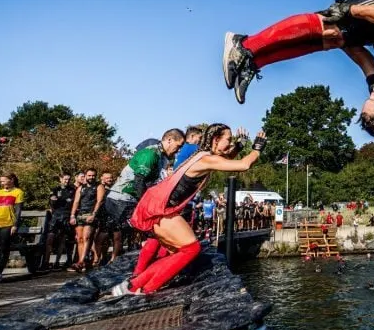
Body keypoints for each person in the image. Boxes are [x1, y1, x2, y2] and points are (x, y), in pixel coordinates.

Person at [223, 0, 374, 137]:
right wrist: (349, 10)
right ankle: (244, 45)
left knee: (333, 37)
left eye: (370, 98)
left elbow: (361, 58)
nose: (373, 94)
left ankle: (253, 63)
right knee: (329, 22)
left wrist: (340, 40)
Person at [110, 125, 266, 295]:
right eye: (228, 140)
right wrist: (257, 148)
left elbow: (228, 157)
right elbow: (244, 164)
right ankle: (141, 288)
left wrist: (240, 145)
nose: (230, 144)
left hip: (160, 204)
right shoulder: (206, 159)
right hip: (160, 206)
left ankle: (134, 285)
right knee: (191, 249)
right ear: (215, 140)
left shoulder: (204, 155)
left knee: (179, 251)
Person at [100, 129, 185, 264]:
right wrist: (146, 205)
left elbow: (152, 184)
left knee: (154, 230)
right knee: (153, 230)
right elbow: (139, 182)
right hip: (121, 200)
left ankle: (156, 262)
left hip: (128, 199)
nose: (178, 150)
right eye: (178, 146)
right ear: (169, 140)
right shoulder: (150, 153)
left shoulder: (160, 156)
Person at [68, 168, 101, 272]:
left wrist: (94, 214)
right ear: (86, 176)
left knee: (87, 237)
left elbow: (99, 201)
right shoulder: (81, 188)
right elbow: (76, 202)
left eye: (93, 175)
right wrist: (72, 215)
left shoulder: (99, 186)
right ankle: (82, 262)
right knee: (80, 238)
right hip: (80, 214)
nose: (91, 177)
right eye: (89, 175)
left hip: (91, 213)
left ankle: (81, 262)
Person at [43, 172, 75, 270]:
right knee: (50, 238)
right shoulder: (55, 189)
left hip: (66, 215)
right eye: (65, 179)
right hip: (56, 215)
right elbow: (52, 202)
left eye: (68, 179)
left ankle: (57, 262)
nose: (67, 181)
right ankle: (46, 262)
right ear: (60, 179)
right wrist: (54, 201)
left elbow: (72, 202)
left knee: (62, 239)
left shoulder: (72, 190)